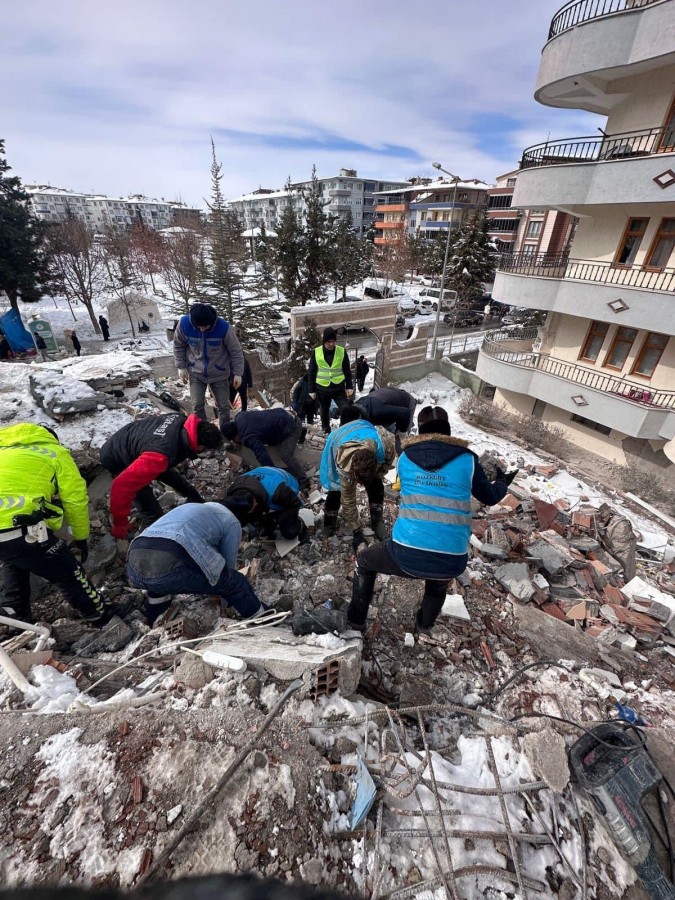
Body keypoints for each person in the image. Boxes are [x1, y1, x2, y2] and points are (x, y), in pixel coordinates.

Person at [347, 406, 517, 636]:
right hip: (451, 559)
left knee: (365, 562)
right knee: (438, 583)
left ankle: (356, 623)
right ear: (448, 430)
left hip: (406, 552)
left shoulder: (405, 458)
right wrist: (502, 481)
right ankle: (424, 626)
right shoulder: (468, 460)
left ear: (420, 430)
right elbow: (490, 497)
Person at [0, 423, 117, 625]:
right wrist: (80, 537)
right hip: (21, 528)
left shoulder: (4, 451)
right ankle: (97, 614)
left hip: (8, 532)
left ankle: (15, 615)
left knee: (13, 558)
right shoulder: (55, 452)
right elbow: (75, 500)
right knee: (68, 572)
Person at [126, 502, 271, 625]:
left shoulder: (195, 509)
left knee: (158, 585)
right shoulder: (231, 521)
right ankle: (263, 618)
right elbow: (227, 566)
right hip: (170, 556)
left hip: (134, 564)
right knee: (235, 583)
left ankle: (155, 620)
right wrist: (226, 600)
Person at [99, 412, 223, 540]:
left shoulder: (181, 420)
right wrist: (120, 524)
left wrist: (196, 498)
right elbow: (120, 486)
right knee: (153, 514)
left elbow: (164, 459)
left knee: (174, 478)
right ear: (200, 446)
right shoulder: (161, 455)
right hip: (117, 458)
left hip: (133, 442)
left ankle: (196, 499)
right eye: (206, 450)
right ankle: (140, 545)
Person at [319, 419, 396, 547]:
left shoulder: (385, 446)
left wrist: (379, 473)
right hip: (338, 438)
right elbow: (348, 501)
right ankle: (329, 523)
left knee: (376, 486)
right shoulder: (345, 464)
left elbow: (388, 461)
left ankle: (377, 522)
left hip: (363, 427)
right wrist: (357, 532)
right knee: (336, 490)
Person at [173, 302, 245, 432]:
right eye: (199, 327)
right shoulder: (184, 325)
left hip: (219, 372)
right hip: (196, 371)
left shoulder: (224, 328)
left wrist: (238, 373)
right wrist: (181, 367)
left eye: (205, 326)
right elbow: (178, 346)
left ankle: (225, 432)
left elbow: (236, 352)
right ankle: (204, 434)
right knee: (197, 405)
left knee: (223, 406)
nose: (202, 330)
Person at [221, 408, 308, 489]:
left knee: (286, 455)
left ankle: (303, 480)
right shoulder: (240, 416)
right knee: (270, 441)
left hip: (292, 425)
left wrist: (274, 474)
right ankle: (301, 430)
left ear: (236, 435)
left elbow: (262, 456)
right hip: (283, 415)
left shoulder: (249, 436)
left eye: (233, 440)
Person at [225, 466, 305, 540]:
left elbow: (295, 504)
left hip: (287, 484)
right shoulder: (232, 491)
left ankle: (298, 524)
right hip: (261, 480)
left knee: (290, 532)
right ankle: (266, 520)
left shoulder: (277, 491)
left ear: (255, 501)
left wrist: (277, 520)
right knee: (260, 525)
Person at [307, 327, 353, 434]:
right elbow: (312, 372)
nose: (331, 344)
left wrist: (349, 386)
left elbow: (347, 370)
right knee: (324, 412)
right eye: (328, 342)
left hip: (338, 388)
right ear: (324, 342)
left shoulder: (341, 351)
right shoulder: (317, 352)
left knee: (345, 408)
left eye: (333, 341)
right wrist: (311, 390)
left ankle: (343, 429)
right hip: (322, 388)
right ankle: (326, 430)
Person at [353, 387, 417, 433]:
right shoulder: (359, 405)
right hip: (388, 398)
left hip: (407, 403)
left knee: (401, 441)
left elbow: (405, 413)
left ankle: (409, 426)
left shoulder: (378, 411)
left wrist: (402, 433)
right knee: (387, 429)